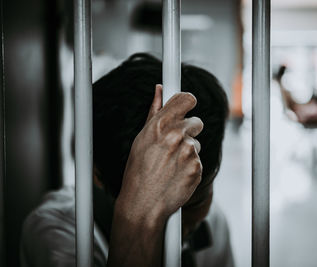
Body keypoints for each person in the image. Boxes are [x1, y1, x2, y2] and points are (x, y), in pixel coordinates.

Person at [20, 53, 234, 267]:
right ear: (96, 173)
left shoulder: (212, 221)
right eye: (144, 194)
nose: (175, 224)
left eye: (192, 204)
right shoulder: (57, 232)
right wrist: (141, 217)